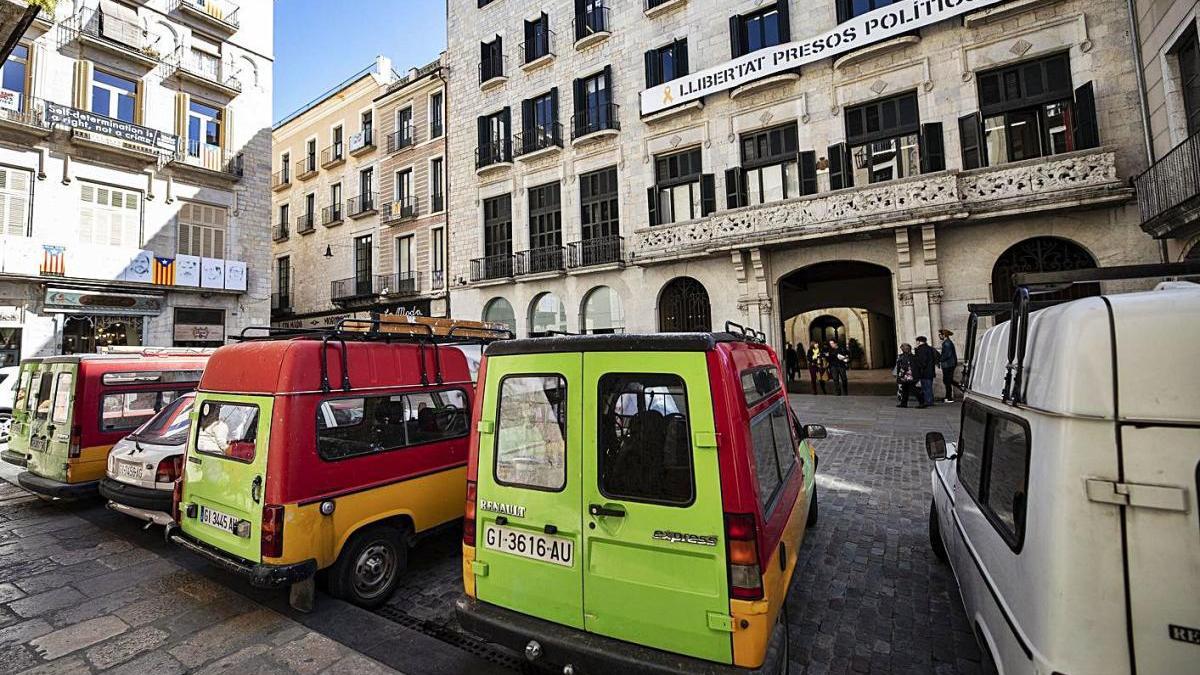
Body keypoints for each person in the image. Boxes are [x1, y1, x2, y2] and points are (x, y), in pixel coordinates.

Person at [914, 336, 938, 408]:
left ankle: (928, 401)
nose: (916, 343)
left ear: (919, 341)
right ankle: (929, 400)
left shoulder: (921, 349)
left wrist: (918, 368)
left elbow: (922, 362)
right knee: (928, 387)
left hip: (924, 372)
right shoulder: (929, 348)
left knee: (926, 387)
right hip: (930, 371)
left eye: (917, 341)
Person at [893, 343, 917, 408]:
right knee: (905, 390)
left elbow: (904, 366)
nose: (902, 349)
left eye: (902, 348)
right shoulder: (905, 356)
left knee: (914, 389)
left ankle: (921, 402)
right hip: (905, 375)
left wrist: (900, 374)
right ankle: (903, 403)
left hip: (908, 376)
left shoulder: (907, 356)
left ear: (905, 349)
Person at [939, 329, 958, 403]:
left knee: (947, 381)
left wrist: (940, 359)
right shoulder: (947, 343)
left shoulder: (947, 343)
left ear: (944, 335)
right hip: (949, 364)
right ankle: (948, 396)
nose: (939, 336)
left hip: (948, 364)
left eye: (940, 335)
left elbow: (947, 354)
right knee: (947, 380)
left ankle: (949, 397)